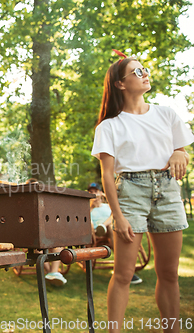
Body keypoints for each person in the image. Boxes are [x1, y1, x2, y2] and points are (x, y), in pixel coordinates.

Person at [91, 49, 193, 332]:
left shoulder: (166, 114)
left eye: (144, 69)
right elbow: (108, 176)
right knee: (123, 274)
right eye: (136, 71)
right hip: (130, 194)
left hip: (167, 191)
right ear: (120, 84)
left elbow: (181, 151)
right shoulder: (109, 127)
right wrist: (118, 216)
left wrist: (178, 153)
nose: (144, 73)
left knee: (169, 274)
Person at [88, 182, 142, 284]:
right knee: (111, 226)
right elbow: (83, 220)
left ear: (101, 193)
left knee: (111, 224)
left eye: (96, 191)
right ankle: (124, 267)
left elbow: (115, 216)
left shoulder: (108, 206)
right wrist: (91, 207)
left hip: (110, 230)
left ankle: (104, 226)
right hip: (93, 232)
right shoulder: (86, 208)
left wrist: (104, 225)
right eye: (91, 192)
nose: (93, 194)